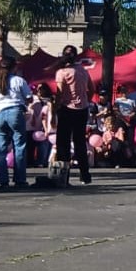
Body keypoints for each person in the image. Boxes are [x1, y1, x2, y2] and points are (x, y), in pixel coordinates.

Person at [0, 57, 30, 189]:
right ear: (14, 67)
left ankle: (3, 180)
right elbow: (29, 97)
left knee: (0, 150)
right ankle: (20, 179)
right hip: (15, 112)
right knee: (19, 146)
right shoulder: (19, 81)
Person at [53, 45, 93, 184]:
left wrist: (54, 110)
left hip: (67, 108)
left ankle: (63, 176)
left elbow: (59, 94)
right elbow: (91, 89)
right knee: (80, 142)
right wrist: (84, 99)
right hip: (82, 109)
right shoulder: (83, 70)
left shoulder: (62, 72)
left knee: (63, 143)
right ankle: (85, 174)